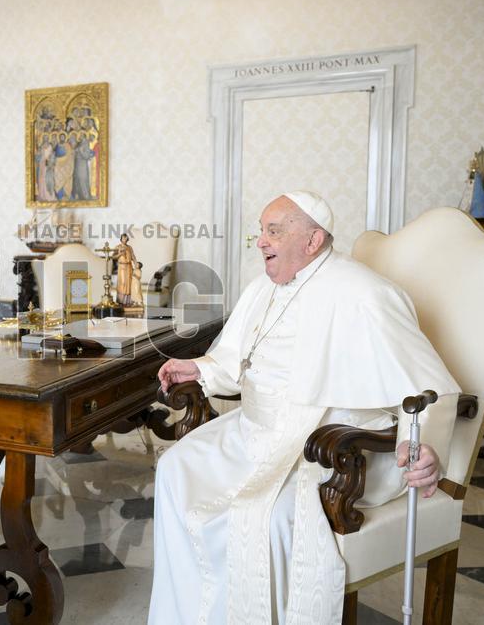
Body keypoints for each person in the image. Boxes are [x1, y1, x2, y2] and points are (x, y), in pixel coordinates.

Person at [149, 191, 459, 624]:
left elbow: (429, 388)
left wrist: (418, 441)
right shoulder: (263, 288)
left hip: (326, 444)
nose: (260, 241)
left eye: (273, 230)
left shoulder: (364, 293)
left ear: (312, 241)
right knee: (175, 468)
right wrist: (197, 369)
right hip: (254, 432)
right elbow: (236, 358)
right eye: (261, 230)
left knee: (264, 516)